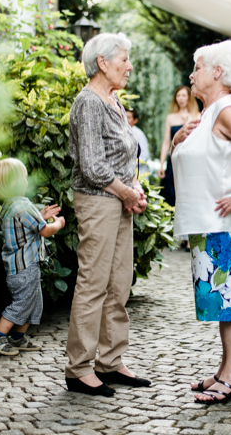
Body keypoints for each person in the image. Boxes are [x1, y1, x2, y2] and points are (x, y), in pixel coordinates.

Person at [171, 40, 231, 404]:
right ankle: (227, 372)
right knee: (226, 302)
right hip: (213, 225)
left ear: (217, 73)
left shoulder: (226, 107)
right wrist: (181, 140)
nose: (191, 75)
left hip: (230, 226)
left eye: (197, 67)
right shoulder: (212, 111)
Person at [66, 32, 151, 397]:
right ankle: (79, 367)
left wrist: (135, 187)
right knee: (93, 284)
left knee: (118, 282)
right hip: (98, 200)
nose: (129, 66)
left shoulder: (113, 101)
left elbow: (121, 155)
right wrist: (126, 192)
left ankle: (111, 361)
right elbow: (92, 166)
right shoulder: (88, 102)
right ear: (102, 62)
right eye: (124, 60)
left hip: (118, 199)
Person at [0, 158, 65, 356]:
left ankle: (17, 338)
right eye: (24, 177)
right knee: (22, 303)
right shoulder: (23, 206)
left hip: (18, 269)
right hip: (25, 267)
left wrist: (40, 215)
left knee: (33, 302)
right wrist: (59, 224)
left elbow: (24, 225)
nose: (27, 180)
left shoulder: (10, 206)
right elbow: (45, 231)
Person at [157, 86, 200, 207]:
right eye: (178, 96)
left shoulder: (197, 116)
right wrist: (161, 164)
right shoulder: (170, 118)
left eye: (183, 95)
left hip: (190, 159)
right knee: (171, 191)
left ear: (189, 98)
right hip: (174, 158)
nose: (180, 98)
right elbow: (166, 142)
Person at [126, 109, 150, 176]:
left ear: (135, 120)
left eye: (128, 117)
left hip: (139, 173)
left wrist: (129, 164)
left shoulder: (139, 134)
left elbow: (145, 155)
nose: (125, 119)